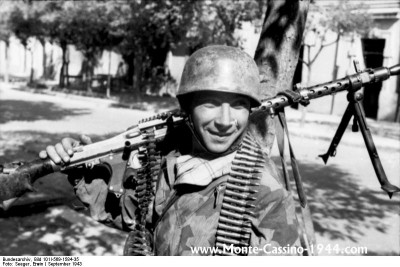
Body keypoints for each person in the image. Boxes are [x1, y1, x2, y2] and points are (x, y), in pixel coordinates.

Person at [40, 45, 300, 256]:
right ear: (188, 108)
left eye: (238, 105)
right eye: (210, 103)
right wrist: (82, 172)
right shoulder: (170, 158)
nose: (224, 120)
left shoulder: (266, 194)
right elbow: (132, 219)